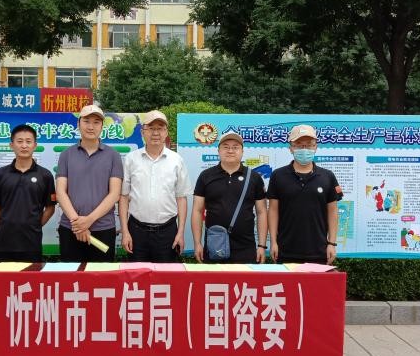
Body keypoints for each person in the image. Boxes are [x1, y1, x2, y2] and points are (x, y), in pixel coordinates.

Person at [119, 110, 192, 262]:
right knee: (137, 274)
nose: (156, 133)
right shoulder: (131, 159)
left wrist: (180, 232)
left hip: (167, 232)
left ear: (166, 132)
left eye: (160, 128)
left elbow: (181, 198)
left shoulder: (176, 160)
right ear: (142, 132)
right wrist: (125, 232)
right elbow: (123, 197)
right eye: (151, 128)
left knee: (165, 275)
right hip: (136, 231)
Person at [267, 124, 342, 265]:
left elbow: (333, 211)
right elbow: (273, 210)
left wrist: (332, 243)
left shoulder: (327, 176)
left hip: (319, 251)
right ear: (291, 148)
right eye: (299, 145)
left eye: (308, 145)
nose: (304, 149)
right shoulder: (278, 175)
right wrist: (273, 242)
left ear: (315, 147)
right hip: (285, 250)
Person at [56, 104, 123, 261]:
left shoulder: (113, 156)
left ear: (102, 126)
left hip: (103, 229)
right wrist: (78, 224)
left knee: (101, 275)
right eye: (86, 121)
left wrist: (89, 220)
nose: (91, 126)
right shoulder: (66, 155)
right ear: (78, 124)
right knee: (71, 274)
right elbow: (60, 192)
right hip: (70, 228)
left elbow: (114, 194)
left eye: (96, 122)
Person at [192, 131, 267, 263]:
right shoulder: (206, 176)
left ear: (242, 151)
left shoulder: (254, 178)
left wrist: (261, 245)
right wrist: (197, 243)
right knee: (215, 277)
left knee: (245, 277)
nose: (230, 151)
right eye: (226, 147)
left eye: (235, 147)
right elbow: (197, 211)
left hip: (246, 247)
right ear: (219, 151)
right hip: (215, 245)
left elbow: (261, 212)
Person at [0, 124, 56, 263]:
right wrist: (6, 223)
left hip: (32, 243)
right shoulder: (0, 174)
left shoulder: (45, 175)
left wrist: (35, 225)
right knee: (3, 277)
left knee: (30, 277)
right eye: (19, 141)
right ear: (11, 145)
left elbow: (50, 207)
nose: (24, 145)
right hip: (4, 242)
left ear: (35, 145)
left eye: (28, 141)